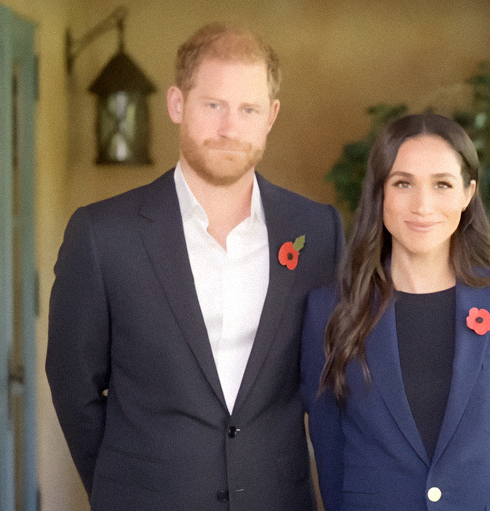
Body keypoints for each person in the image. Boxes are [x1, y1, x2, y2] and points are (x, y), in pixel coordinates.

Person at [46, 23, 344, 511]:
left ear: (270, 116)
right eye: (213, 106)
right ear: (177, 105)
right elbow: (72, 380)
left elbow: (331, 380)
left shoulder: (319, 230)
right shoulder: (103, 235)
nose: (230, 128)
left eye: (248, 109)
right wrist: (121, 486)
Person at [301, 113, 490, 511]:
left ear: (467, 194)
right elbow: (331, 461)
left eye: (442, 184)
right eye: (403, 183)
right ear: (380, 193)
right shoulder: (330, 310)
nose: (423, 206)